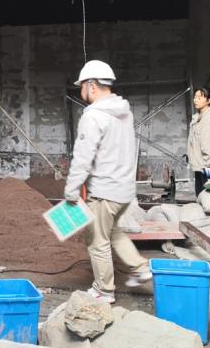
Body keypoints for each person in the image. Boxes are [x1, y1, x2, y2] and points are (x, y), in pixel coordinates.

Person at [64, 60, 151, 304]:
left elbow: (83, 157)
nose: (81, 91)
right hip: (124, 190)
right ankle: (140, 268)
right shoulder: (124, 112)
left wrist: (71, 191)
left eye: (82, 86)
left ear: (91, 86)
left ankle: (104, 290)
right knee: (113, 231)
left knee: (96, 241)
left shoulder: (93, 116)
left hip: (103, 191)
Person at [187, 87, 210, 196]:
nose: (195, 100)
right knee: (200, 196)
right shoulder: (198, 117)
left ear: (208, 101)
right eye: (195, 97)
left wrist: (206, 167)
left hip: (207, 167)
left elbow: (209, 147)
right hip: (200, 166)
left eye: (200, 98)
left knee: (208, 198)